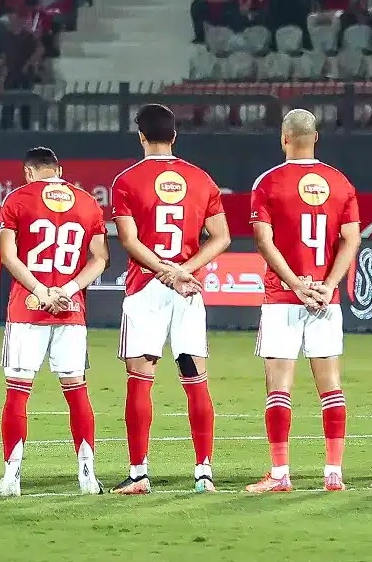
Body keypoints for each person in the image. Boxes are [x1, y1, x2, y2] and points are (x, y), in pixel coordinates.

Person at [109, 104, 231, 495]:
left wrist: (166, 272)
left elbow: (129, 241)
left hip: (146, 288)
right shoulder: (200, 178)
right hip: (188, 290)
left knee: (139, 381)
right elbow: (222, 237)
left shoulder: (126, 181)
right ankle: (204, 473)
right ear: (175, 136)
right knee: (195, 380)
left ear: (141, 136)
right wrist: (183, 270)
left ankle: (138, 474)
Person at [245, 109, 361, 493]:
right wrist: (328, 285)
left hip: (283, 296)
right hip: (326, 300)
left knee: (279, 387)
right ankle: (333, 472)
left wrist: (295, 284)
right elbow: (351, 239)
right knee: (331, 386)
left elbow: (264, 241)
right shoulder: (339, 182)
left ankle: (280, 474)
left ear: (284, 138)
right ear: (316, 138)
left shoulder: (269, 182)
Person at [0, 147, 109, 497]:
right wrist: (67, 290)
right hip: (71, 309)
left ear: (28, 172)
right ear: (59, 169)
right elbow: (100, 258)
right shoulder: (88, 202)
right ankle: (88, 475)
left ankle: (11, 478)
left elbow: (8, 256)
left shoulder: (16, 199)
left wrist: (42, 292)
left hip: (27, 308)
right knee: (76, 390)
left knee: (17, 392)